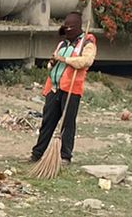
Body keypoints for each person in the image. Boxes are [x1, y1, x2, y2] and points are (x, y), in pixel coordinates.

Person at [30, 9, 96, 165]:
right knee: (47, 122)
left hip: (72, 89)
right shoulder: (62, 43)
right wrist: (51, 63)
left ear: (77, 27)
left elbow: (86, 61)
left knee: (67, 123)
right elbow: (54, 58)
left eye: (70, 28)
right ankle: (37, 154)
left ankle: (65, 156)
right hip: (54, 88)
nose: (67, 31)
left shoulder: (87, 43)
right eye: (65, 28)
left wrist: (65, 59)